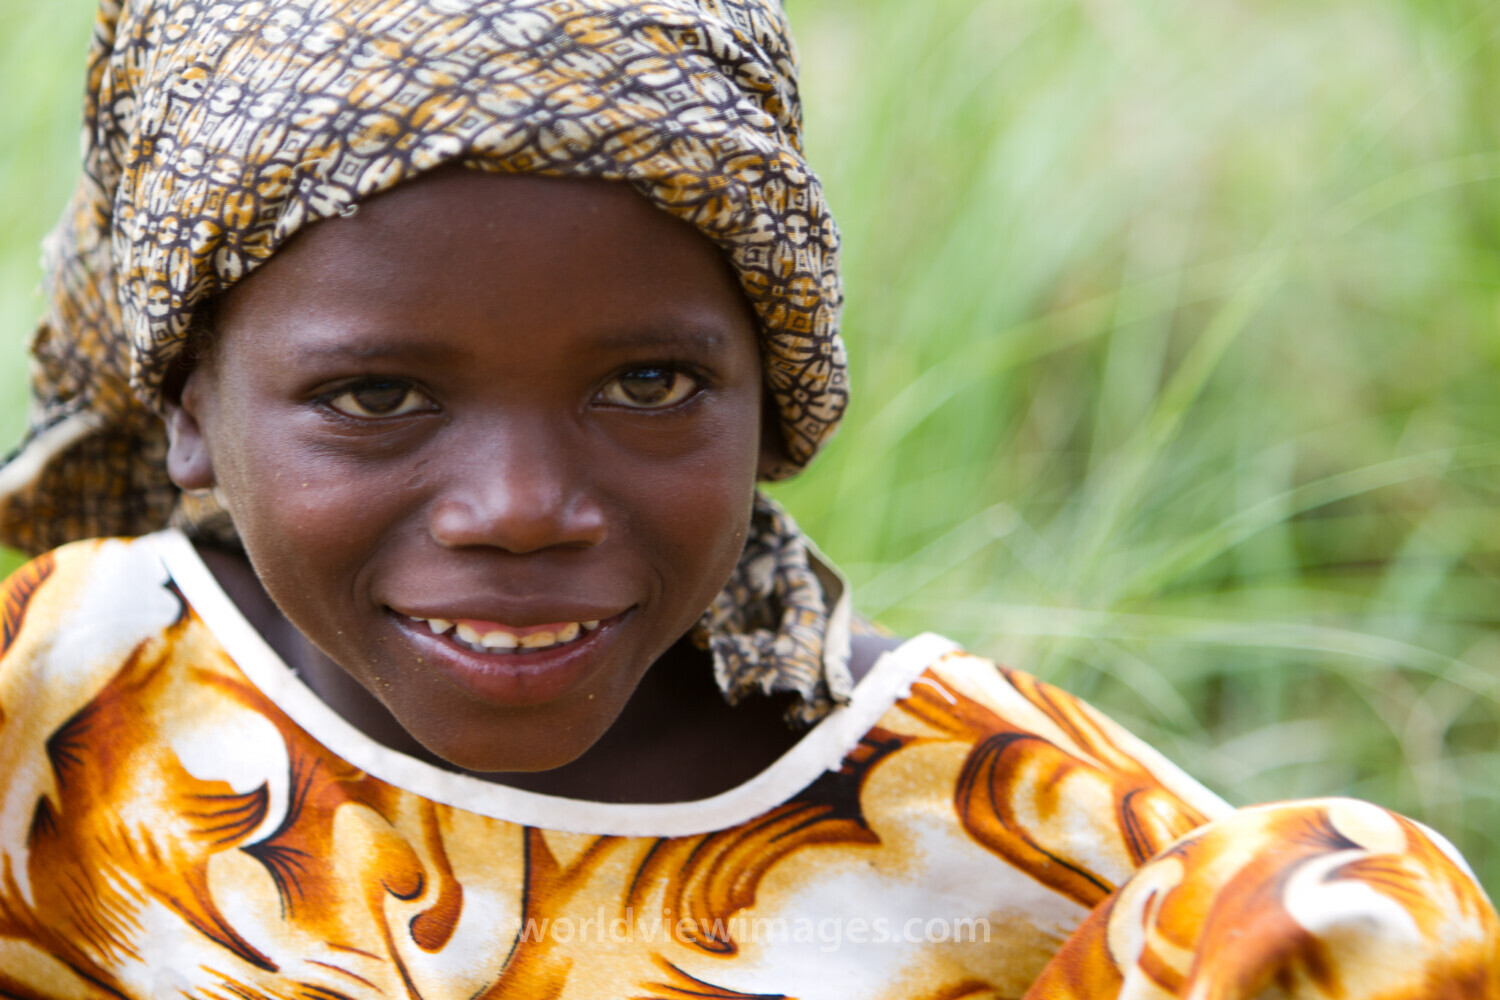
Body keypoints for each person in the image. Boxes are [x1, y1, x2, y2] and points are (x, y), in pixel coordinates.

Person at [0, 0, 1494, 996]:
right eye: (378, 398)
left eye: (646, 385)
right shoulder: (58, 708)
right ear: (188, 408)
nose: (522, 507)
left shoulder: (1005, 829)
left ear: (771, 389)